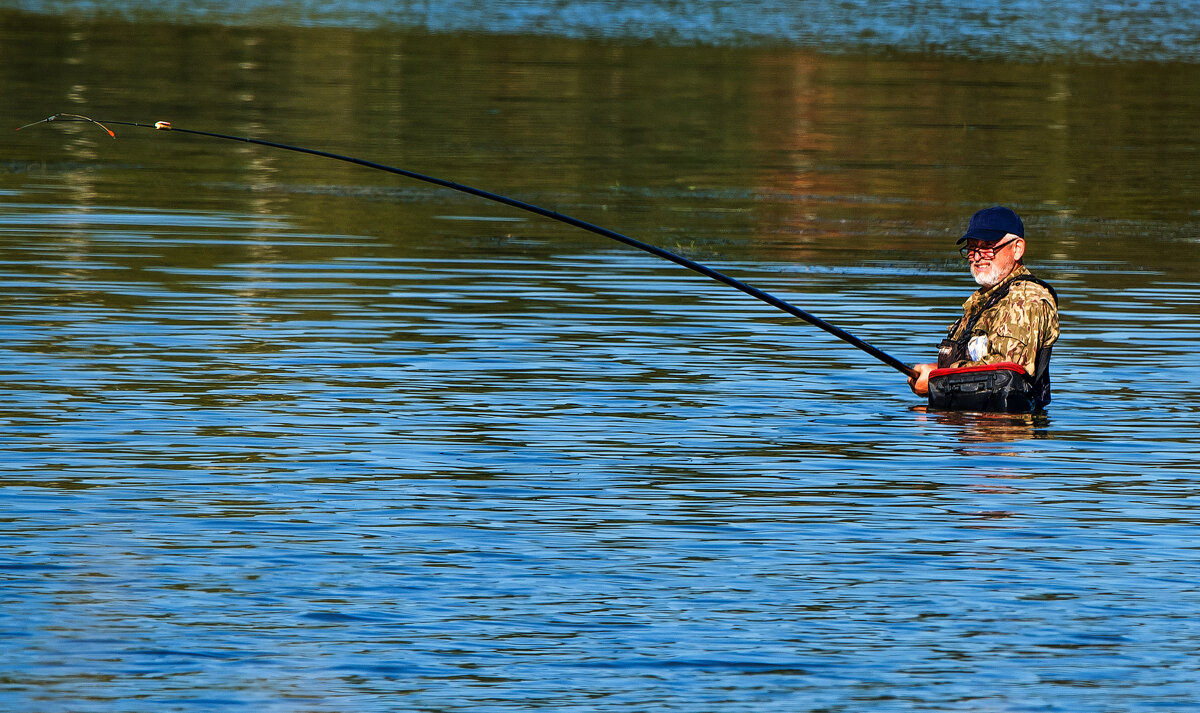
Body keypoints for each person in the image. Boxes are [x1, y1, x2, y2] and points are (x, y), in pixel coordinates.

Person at [909, 206, 1059, 409]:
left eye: (988, 247)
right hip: (970, 428)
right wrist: (935, 373)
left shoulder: (1026, 299)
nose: (978, 256)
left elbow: (1004, 375)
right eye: (972, 248)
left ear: (1017, 249)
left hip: (1006, 434)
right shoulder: (986, 299)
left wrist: (936, 382)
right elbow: (978, 365)